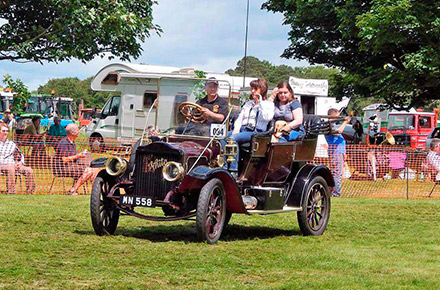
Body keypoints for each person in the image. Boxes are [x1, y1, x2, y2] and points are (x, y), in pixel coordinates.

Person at [227, 78, 275, 172]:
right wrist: (236, 128)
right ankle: (223, 165)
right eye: (252, 88)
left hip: (256, 132)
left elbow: (267, 117)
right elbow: (240, 118)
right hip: (243, 130)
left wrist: (260, 103)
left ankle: (233, 170)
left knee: (232, 139)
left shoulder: (268, 104)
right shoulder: (248, 104)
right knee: (222, 137)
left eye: (255, 89)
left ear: (262, 89)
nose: (252, 91)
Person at [53, 123, 98, 195]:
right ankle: (73, 190)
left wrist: (82, 155)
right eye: (77, 130)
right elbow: (64, 159)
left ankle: (95, 192)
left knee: (94, 169)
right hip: (63, 168)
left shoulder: (72, 142)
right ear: (73, 133)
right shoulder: (64, 143)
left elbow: (74, 157)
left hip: (73, 166)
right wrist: (78, 156)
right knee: (88, 170)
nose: (79, 132)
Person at [0, 123, 35, 194]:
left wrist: (20, 163)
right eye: (3, 131)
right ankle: (11, 191)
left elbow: (20, 155)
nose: (5, 133)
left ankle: (30, 192)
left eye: (7, 131)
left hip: (14, 165)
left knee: (29, 170)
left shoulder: (11, 144)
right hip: (3, 165)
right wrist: (9, 164)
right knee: (11, 169)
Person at [325, 108, 350, 197]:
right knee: (336, 173)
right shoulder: (330, 125)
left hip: (338, 151)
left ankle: (332, 191)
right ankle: (335, 192)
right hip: (336, 151)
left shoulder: (332, 125)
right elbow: (337, 133)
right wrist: (345, 122)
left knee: (336, 172)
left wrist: (344, 153)